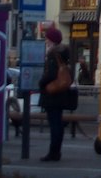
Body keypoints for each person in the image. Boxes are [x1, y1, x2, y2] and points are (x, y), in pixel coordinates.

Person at [37, 27, 73, 162]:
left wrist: (41, 83)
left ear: (52, 40)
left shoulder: (53, 55)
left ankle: (53, 152)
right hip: (61, 94)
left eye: (47, 38)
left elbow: (51, 74)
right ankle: (56, 151)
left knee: (55, 125)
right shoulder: (63, 54)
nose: (46, 41)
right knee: (58, 123)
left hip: (53, 95)